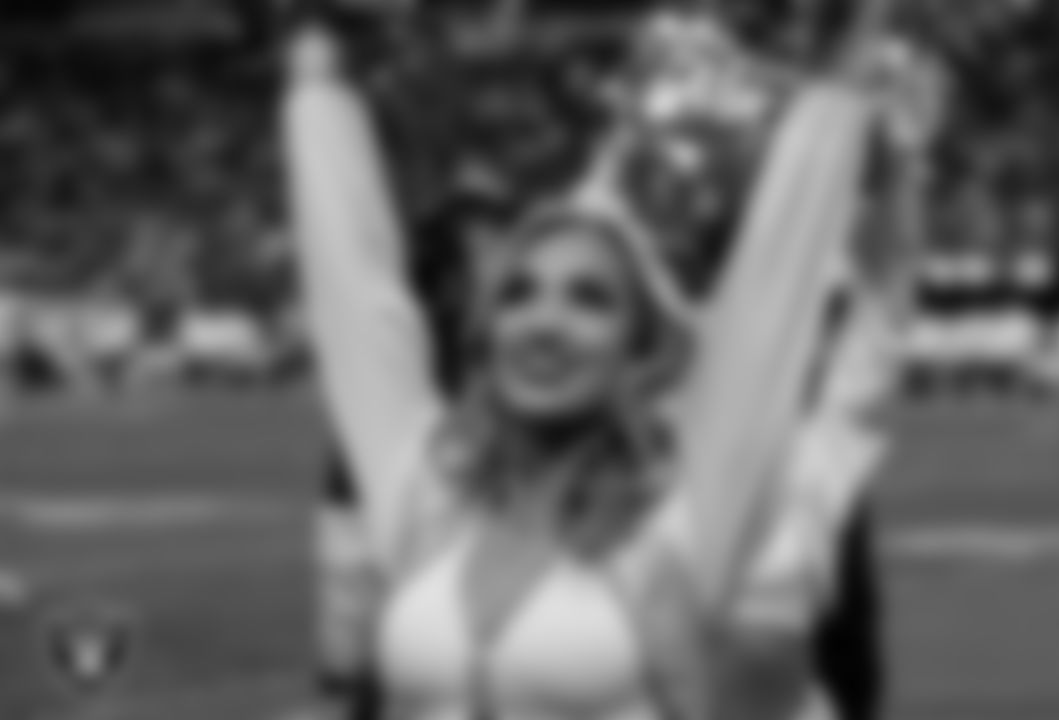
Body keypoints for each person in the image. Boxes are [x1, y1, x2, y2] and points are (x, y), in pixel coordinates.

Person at [285, 14, 882, 720]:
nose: (544, 324)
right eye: (517, 294)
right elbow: (357, 293)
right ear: (485, 337)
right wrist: (315, 77)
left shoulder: (686, 510)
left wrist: (841, 74)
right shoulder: (429, 497)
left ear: (640, 353)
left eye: (590, 300)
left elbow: (773, 291)